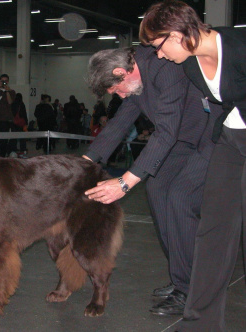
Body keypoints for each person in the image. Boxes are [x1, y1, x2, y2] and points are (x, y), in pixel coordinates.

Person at [84, 45, 220, 316]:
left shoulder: (164, 67)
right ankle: (182, 278)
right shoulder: (134, 82)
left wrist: (124, 182)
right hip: (183, 139)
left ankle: (194, 288)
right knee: (157, 189)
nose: (121, 96)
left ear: (122, 72)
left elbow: (166, 132)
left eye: (118, 90)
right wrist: (83, 163)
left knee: (180, 197)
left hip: (211, 137)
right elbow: (119, 123)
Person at [140, 1, 246, 330]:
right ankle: (200, 322)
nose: (158, 55)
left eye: (158, 46)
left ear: (176, 35)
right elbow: (219, 106)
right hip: (230, 139)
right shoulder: (190, 66)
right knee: (213, 231)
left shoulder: (239, 48)